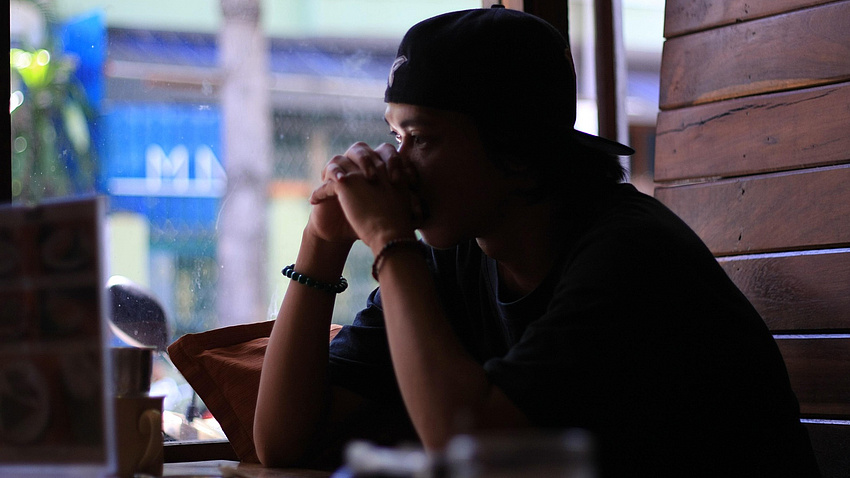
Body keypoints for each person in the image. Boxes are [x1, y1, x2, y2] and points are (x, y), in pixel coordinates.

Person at [254, 6, 820, 477]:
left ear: (517, 153)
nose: (397, 167)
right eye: (394, 136)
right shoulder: (453, 259)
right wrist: (321, 243)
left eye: (421, 138)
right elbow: (282, 442)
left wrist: (388, 243)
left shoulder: (631, 258)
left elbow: (470, 453)